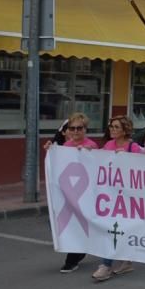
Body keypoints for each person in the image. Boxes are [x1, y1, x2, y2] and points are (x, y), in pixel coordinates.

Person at [92, 116, 143, 283]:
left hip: (128, 198)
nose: (112, 129)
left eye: (116, 127)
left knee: (120, 229)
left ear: (124, 130)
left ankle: (108, 265)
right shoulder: (108, 146)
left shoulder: (132, 147)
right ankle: (110, 264)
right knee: (111, 229)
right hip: (111, 196)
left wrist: (128, 159)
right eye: (111, 126)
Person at [46, 113, 99, 274]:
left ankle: (73, 259)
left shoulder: (92, 145)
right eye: (72, 128)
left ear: (85, 129)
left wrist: (90, 154)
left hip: (85, 194)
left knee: (80, 225)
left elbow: (96, 168)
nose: (75, 131)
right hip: (67, 195)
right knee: (68, 224)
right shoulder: (66, 146)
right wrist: (51, 150)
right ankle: (77, 251)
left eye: (79, 128)